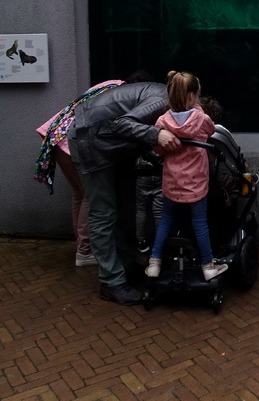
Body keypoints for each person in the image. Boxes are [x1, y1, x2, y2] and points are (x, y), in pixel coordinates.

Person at [68, 79, 173, 305]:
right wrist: (157, 135)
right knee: (102, 212)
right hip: (91, 139)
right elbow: (122, 123)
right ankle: (111, 282)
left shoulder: (163, 96)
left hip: (102, 137)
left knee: (115, 207)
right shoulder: (162, 100)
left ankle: (124, 264)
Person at [34, 71, 151, 267]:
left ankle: (82, 245)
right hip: (73, 140)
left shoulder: (110, 83)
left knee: (79, 194)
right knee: (90, 196)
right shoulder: (125, 97)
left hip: (56, 136)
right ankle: (86, 251)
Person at [146, 71, 230, 282]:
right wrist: (197, 108)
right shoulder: (201, 119)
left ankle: (154, 263)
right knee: (200, 223)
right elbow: (211, 130)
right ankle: (208, 266)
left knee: (165, 221)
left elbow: (157, 148)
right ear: (192, 96)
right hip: (196, 185)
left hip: (172, 183)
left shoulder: (162, 121)